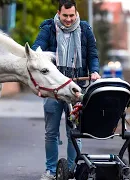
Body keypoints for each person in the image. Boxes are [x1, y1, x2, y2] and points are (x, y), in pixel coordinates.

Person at [31, 0, 101, 179]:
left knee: (75, 133)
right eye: (65, 16)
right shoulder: (48, 29)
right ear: (58, 13)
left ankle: (72, 171)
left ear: (76, 13)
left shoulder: (85, 30)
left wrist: (94, 71)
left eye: (72, 15)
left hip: (77, 90)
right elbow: (36, 52)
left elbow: (92, 54)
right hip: (54, 90)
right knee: (51, 132)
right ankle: (51, 171)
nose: (69, 19)